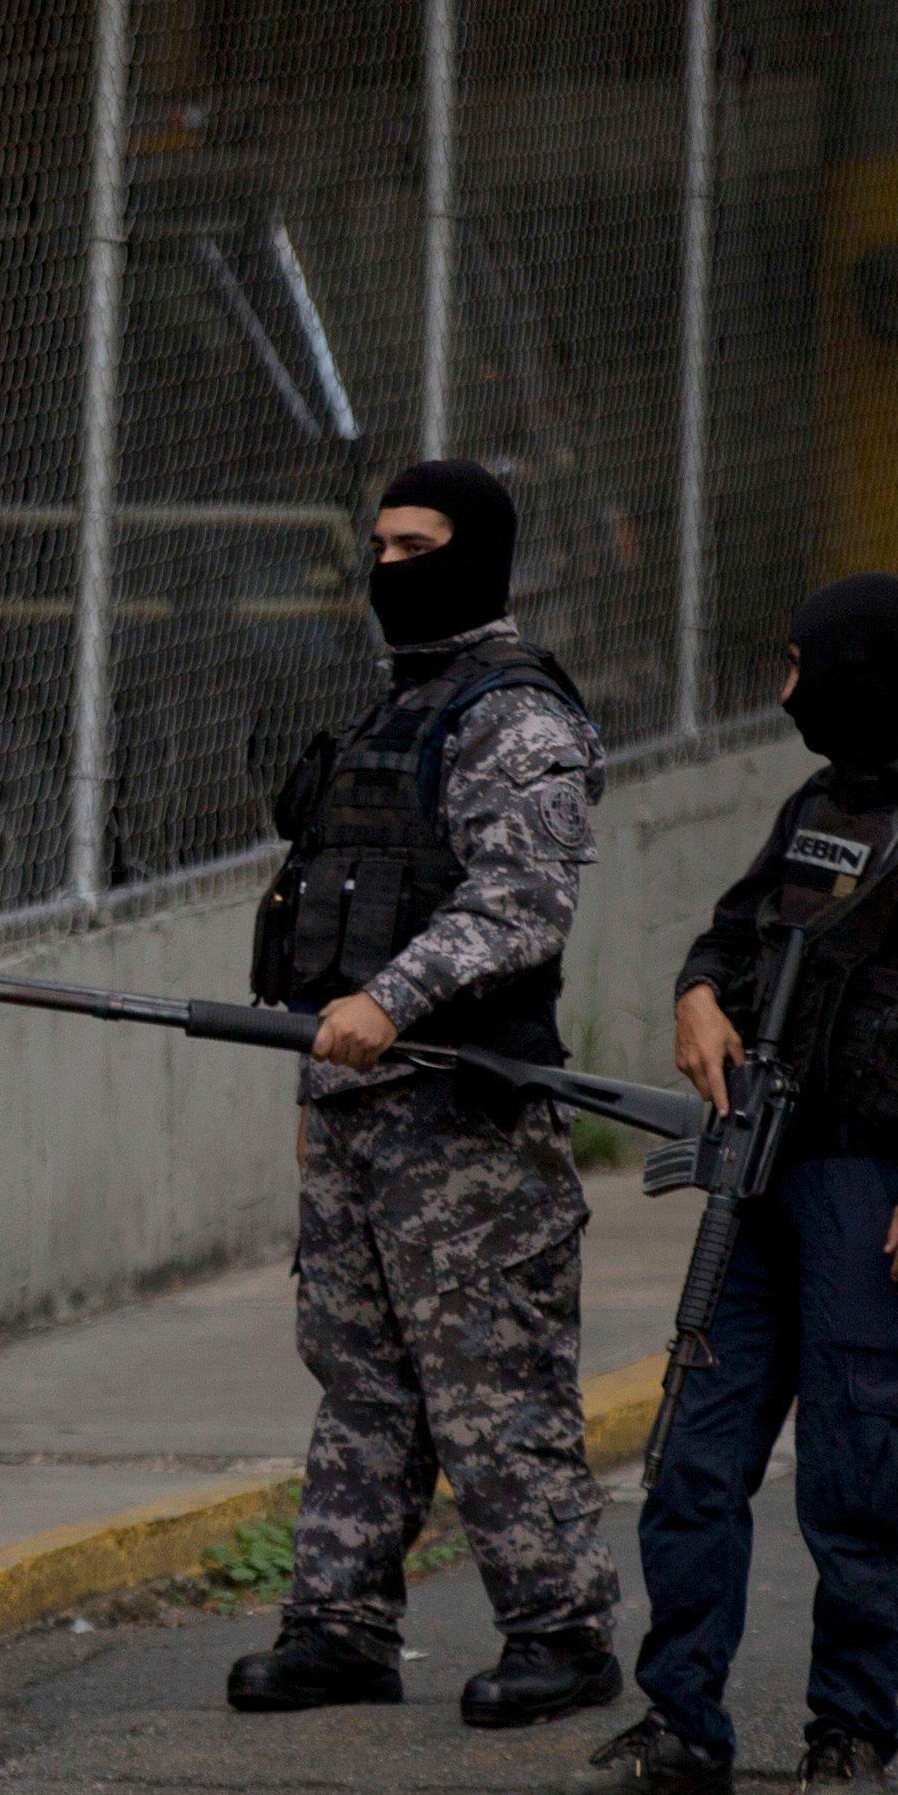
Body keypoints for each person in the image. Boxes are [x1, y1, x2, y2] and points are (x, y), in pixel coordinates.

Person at [554, 575, 898, 1795]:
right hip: (759, 1177)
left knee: (862, 1466)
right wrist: (695, 996)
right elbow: (729, 932)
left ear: (854, 668)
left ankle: (849, 1734)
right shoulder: (817, 804)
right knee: (695, 1457)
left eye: (797, 661)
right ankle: (681, 1730)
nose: (784, 687)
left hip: (874, 1192)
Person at [233, 459, 623, 1727]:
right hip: (357, 1111)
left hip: (462, 1118)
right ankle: (339, 1624)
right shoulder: (392, 711)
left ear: (478, 553)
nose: (390, 566)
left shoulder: (516, 718)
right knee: (358, 1374)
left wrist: (392, 1004)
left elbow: (521, 900)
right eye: (381, 543)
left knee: (490, 1380)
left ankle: (560, 1628)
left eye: (418, 544)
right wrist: (320, 1074)